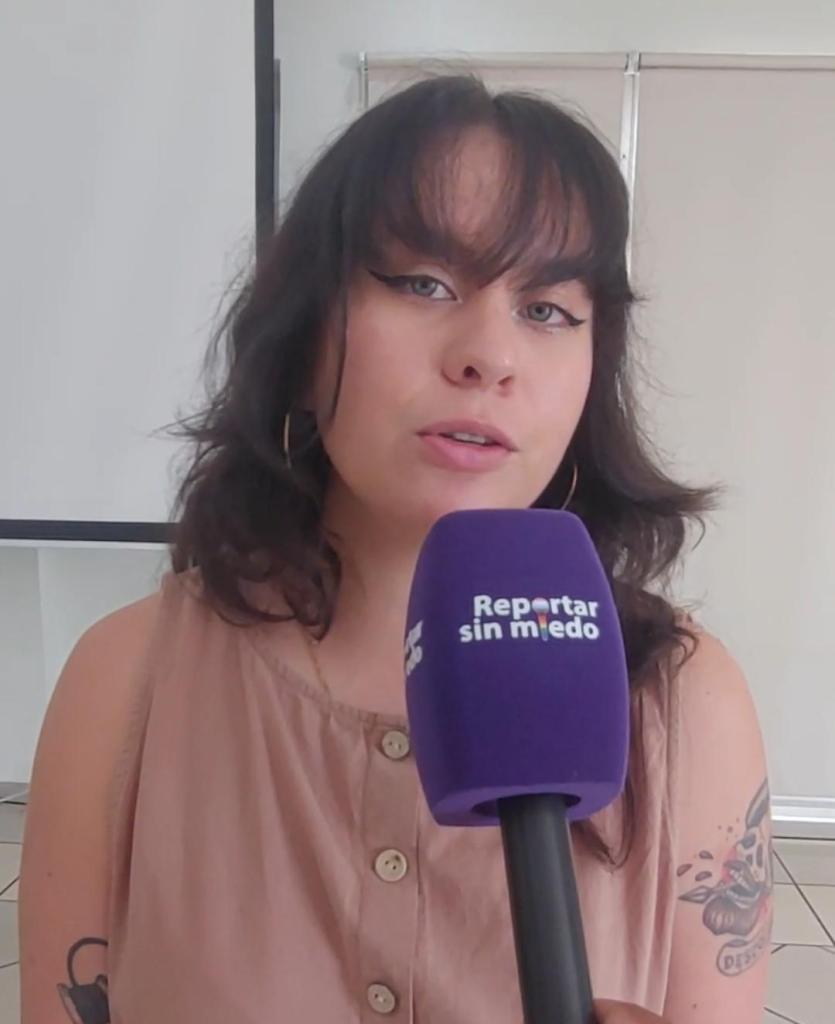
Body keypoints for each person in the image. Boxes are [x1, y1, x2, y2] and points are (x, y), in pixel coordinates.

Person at [20, 73, 772, 1024]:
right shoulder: (124, 679)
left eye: (546, 309)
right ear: (305, 335)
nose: (488, 356)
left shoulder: (686, 701)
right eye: (423, 283)